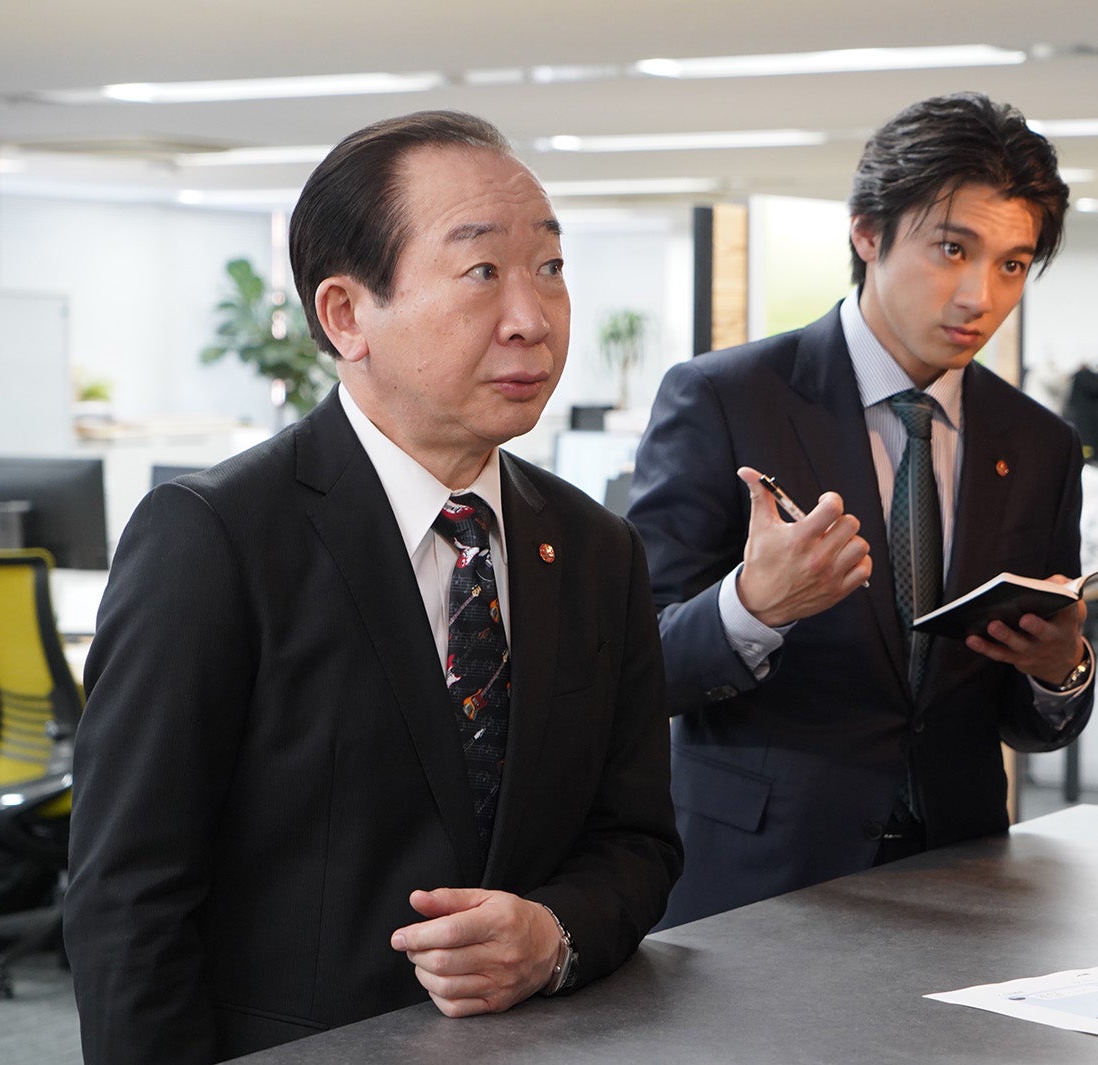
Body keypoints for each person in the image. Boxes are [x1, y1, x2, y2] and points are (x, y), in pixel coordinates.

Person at [64, 111, 681, 1063]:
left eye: (550, 267)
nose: (532, 317)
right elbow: (127, 899)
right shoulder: (216, 539)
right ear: (347, 314)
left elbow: (636, 841)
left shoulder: (596, 547)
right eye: (482, 270)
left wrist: (552, 934)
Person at [627, 92, 1096, 928]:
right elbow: (634, 664)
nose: (980, 296)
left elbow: (1031, 720)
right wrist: (751, 606)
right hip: (763, 878)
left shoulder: (1039, 444)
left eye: (1012, 265)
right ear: (868, 233)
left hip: (962, 874)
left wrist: (1057, 669)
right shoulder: (724, 399)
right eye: (952, 250)